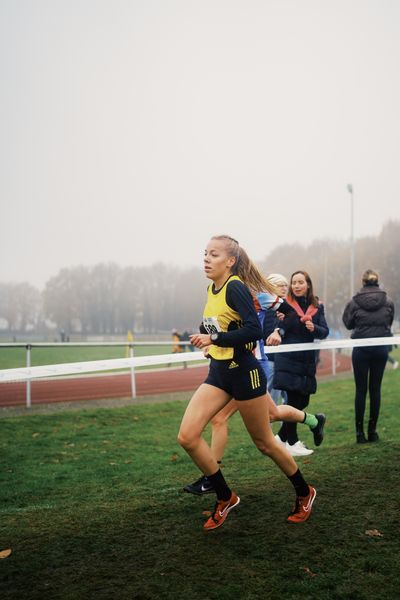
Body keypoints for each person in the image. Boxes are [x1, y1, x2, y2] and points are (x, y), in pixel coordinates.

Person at [177, 236, 319, 530]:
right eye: (205, 253)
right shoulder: (211, 289)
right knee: (188, 437)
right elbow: (218, 324)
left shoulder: (236, 287)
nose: (206, 258)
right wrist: (205, 336)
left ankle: (305, 493)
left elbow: (253, 330)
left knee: (264, 442)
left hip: (245, 372)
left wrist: (214, 337)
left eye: (213, 254)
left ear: (230, 261)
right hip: (219, 372)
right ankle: (225, 496)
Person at [184, 284, 326, 495]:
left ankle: (212, 478)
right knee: (273, 414)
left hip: (250, 364)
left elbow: (287, 314)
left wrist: (279, 330)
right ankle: (314, 420)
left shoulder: (255, 293)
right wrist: (209, 342)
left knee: (222, 419)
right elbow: (214, 324)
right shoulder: (216, 290)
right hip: (227, 363)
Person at [274, 271, 329, 456]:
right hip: (288, 359)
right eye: (294, 282)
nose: (296, 286)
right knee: (292, 401)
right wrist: (279, 324)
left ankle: (281, 437)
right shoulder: (285, 305)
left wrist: (315, 328)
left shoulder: (317, 306)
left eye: (300, 282)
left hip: (307, 361)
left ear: (308, 284)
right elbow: (277, 327)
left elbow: (324, 331)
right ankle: (292, 442)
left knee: (303, 400)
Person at [342, 269, 394, 443]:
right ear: (377, 281)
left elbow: (348, 324)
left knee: (361, 390)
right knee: (375, 389)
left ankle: (359, 434)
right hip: (380, 349)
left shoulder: (354, 301)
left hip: (361, 349)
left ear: (362, 282)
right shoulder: (388, 301)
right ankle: (373, 432)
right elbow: (389, 322)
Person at [263, 273, 289, 405]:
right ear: (271, 286)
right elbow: (266, 334)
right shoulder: (267, 308)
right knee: (271, 398)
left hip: (285, 359)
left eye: (286, 285)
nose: (285, 288)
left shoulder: (285, 306)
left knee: (288, 397)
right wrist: (278, 327)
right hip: (271, 359)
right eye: (281, 285)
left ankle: (286, 425)